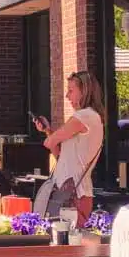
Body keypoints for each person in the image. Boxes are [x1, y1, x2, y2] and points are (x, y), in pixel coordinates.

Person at [35, 70, 105, 227]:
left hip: (73, 194)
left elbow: (49, 142)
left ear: (84, 91)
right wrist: (47, 130)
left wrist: (49, 135)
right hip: (73, 191)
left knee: (67, 242)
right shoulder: (91, 117)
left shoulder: (84, 116)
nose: (67, 96)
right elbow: (60, 155)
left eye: (71, 90)